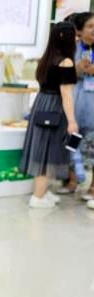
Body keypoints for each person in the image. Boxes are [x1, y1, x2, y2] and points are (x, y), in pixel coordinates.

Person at [20, 21, 79, 209]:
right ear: (65, 38)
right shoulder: (66, 62)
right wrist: (72, 121)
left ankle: (43, 192)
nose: (76, 40)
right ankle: (38, 197)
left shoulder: (46, 58)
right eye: (74, 36)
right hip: (55, 108)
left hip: (42, 104)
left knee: (43, 149)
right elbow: (66, 94)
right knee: (49, 152)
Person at [57, 12, 94, 202]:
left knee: (93, 146)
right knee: (73, 144)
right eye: (90, 26)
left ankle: (93, 188)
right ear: (79, 30)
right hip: (76, 105)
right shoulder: (72, 50)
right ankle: (72, 181)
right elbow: (64, 75)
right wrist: (78, 68)